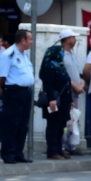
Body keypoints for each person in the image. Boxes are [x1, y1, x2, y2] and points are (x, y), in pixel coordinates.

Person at [0, 29, 35, 164]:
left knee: (23, 124)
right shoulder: (9, 54)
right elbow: (0, 77)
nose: (31, 42)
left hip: (26, 91)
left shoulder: (25, 54)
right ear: (23, 40)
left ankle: (18, 152)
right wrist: (3, 89)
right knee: (11, 123)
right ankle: (8, 153)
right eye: (30, 39)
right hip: (14, 91)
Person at [38, 29, 75, 159]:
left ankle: (59, 150)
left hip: (63, 100)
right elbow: (48, 83)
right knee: (53, 125)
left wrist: (70, 100)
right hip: (54, 100)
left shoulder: (60, 66)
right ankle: (52, 151)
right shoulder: (49, 67)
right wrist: (52, 99)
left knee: (61, 125)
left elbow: (67, 83)